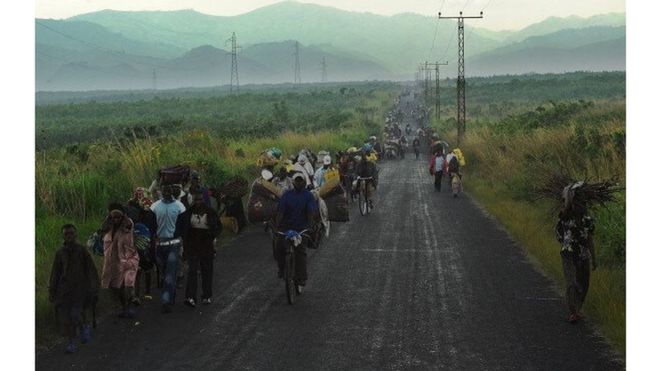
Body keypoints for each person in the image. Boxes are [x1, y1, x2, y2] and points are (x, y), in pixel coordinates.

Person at [49, 224, 100, 354]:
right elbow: (55, 273)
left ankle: (84, 326)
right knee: (67, 319)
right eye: (66, 234)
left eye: (71, 233)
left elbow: (91, 270)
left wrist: (94, 287)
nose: (69, 236)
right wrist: (52, 291)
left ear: (75, 235)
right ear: (63, 236)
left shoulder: (82, 251)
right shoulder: (60, 253)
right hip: (65, 291)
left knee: (75, 315)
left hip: (80, 290)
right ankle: (71, 343)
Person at [555, 182, 597, 323]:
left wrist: (594, 259)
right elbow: (559, 233)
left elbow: (590, 239)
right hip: (568, 255)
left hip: (583, 255)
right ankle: (573, 311)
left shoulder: (587, 220)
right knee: (571, 282)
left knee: (584, 283)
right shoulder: (565, 216)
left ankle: (577, 309)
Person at [274, 172, 319, 287]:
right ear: (293, 182)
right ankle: (282, 269)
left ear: (304, 182)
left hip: (302, 228)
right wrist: (277, 227)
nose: (298, 182)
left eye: (300, 180)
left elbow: (310, 213)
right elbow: (280, 213)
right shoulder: (286, 195)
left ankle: (301, 277)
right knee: (278, 248)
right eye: (296, 180)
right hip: (286, 227)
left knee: (300, 252)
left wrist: (310, 227)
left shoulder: (308, 196)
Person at [150, 185, 187, 313]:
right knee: (165, 271)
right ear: (161, 192)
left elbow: (184, 225)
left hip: (174, 244)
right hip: (160, 244)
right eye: (164, 191)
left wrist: (181, 239)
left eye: (169, 191)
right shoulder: (154, 207)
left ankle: (166, 300)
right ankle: (171, 293)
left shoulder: (180, 207)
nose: (166, 193)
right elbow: (151, 225)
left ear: (173, 192)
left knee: (170, 273)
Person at [100, 203, 140, 318]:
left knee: (127, 283)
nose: (116, 219)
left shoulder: (128, 224)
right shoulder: (107, 226)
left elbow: (128, 243)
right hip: (113, 260)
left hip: (128, 257)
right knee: (117, 286)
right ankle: (124, 307)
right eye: (114, 217)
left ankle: (129, 306)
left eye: (118, 217)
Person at [182, 193, 221, 307]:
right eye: (196, 200)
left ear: (203, 200)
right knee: (192, 270)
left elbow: (218, 227)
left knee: (207, 270)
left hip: (206, 244)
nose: (198, 202)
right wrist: (186, 246)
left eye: (200, 200)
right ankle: (190, 296)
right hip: (193, 244)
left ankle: (206, 296)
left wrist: (211, 236)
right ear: (193, 201)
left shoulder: (210, 212)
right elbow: (185, 230)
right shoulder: (189, 213)